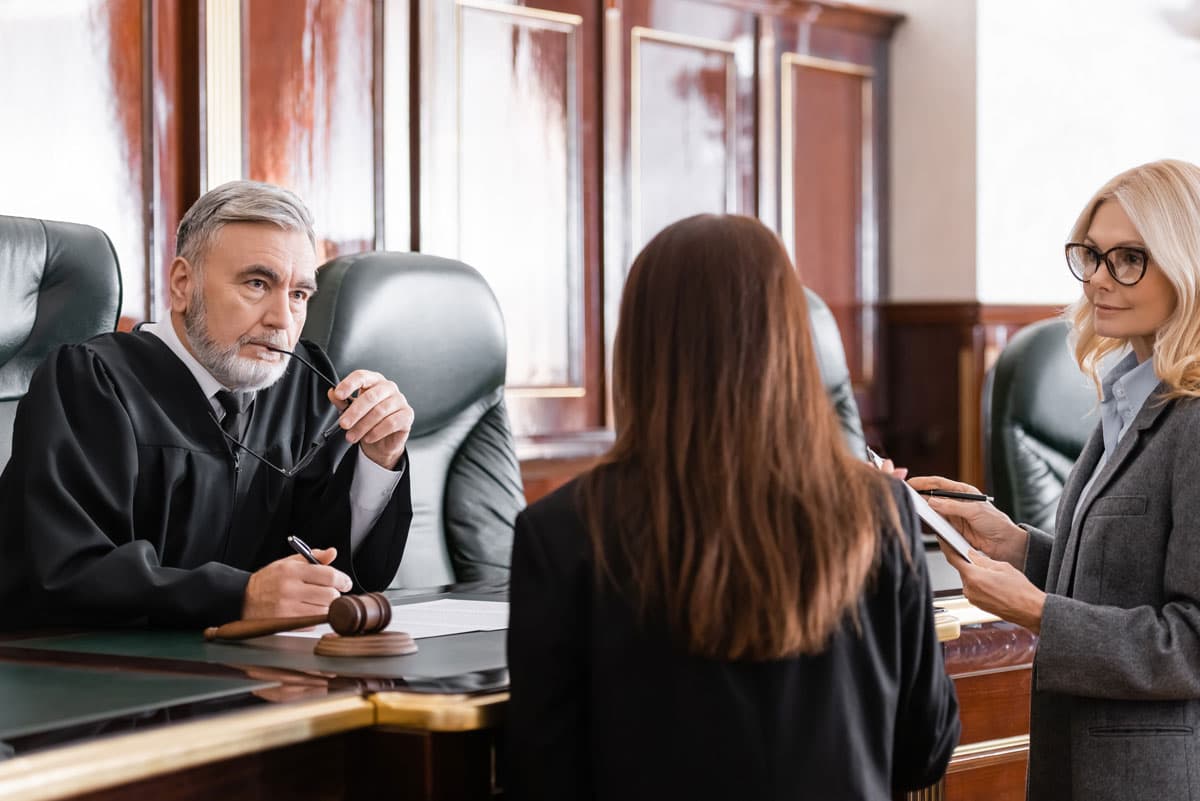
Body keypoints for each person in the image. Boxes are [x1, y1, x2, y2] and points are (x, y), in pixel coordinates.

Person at [506, 214, 959, 801]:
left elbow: (543, 777)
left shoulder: (562, 531)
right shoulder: (883, 511)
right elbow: (926, 750)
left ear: (639, 349)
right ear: (792, 344)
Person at [0, 180, 414, 628]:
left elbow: (332, 566)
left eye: (298, 295)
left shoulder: (303, 387)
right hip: (100, 678)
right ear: (183, 284)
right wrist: (241, 596)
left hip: (259, 678)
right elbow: (63, 573)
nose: (282, 320)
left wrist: (378, 458)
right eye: (257, 283)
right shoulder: (92, 383)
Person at [914, 159, 1200, 801]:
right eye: (1092, 255)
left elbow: (1189, 645)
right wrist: (1018, 547)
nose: (1099, 278)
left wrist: (1033, 610)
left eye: (1129, 258)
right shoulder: (1129, 396)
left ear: (1187, 269)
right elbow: (1124, 580)